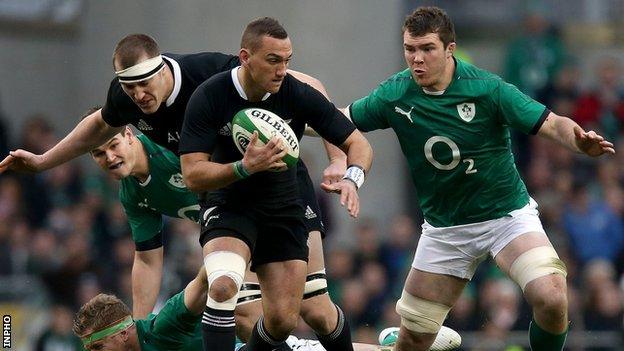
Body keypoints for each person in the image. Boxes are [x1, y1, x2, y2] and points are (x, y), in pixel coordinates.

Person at [0, 33, 360, 348]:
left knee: (313, 308)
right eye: (129, 88)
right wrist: (43, 161)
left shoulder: (210, 74)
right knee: (245, 309)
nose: (139, 95)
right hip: (231, 205)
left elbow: (306, 88)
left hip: (282, 189)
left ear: (162, 70)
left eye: (145, 83)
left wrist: (338, 158)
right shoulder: (133, 186)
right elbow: (146, 257)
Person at [325, 6, 614, 351]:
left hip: (506, 217)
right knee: (412, 342)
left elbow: (552, 123)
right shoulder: (395, 94)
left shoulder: (487, 89)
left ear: (449, 49)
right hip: (446, 230)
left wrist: (578, 141)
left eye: (427, 48)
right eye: (410, 49)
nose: (417, 59)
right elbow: (337, 120)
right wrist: (291, 120)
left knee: (552, 296)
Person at [178, 17, 372, 351]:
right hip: (229, 202)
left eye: (287, 61)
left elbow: (359, 144)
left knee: (283, 320)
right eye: (273, 60)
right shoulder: (210, 95)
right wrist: (243, 167)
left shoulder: (296, 94)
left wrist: (351, 178)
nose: (282, 70)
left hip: (283, 206)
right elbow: (193, 173)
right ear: (245, 57)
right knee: (223, 286)